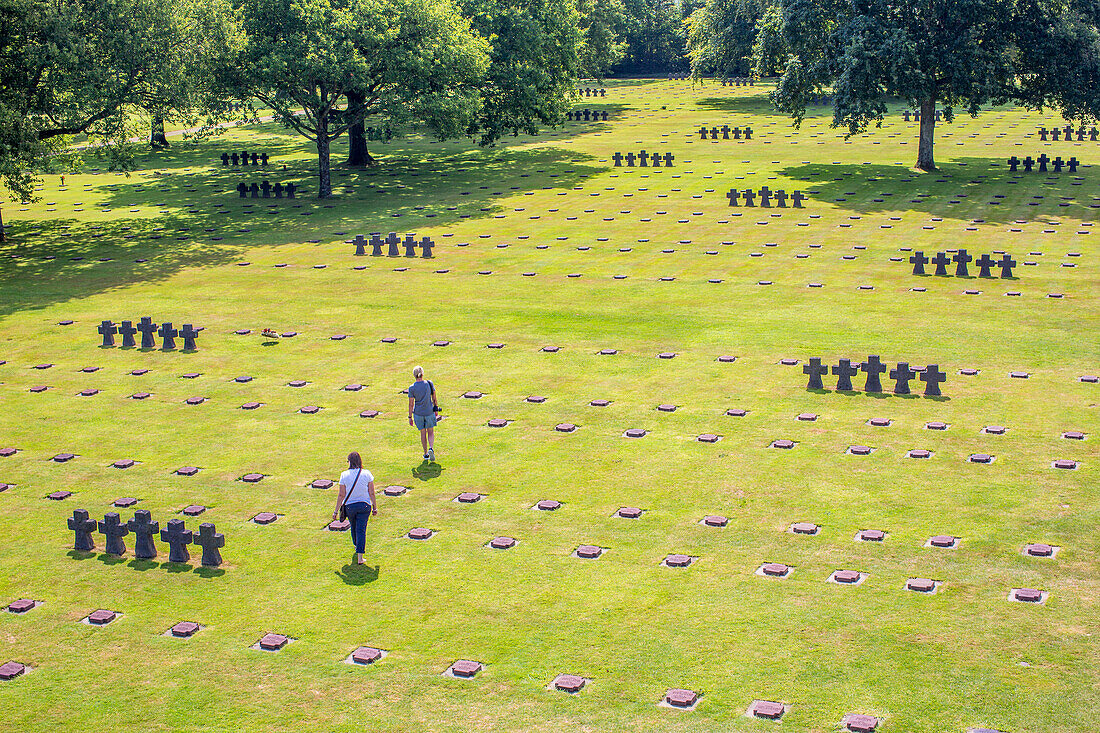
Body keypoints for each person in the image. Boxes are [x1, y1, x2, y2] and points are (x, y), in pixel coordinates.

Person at [332, 451, 377, 565]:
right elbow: (371, 492)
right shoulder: (366, 474)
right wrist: (375, 507)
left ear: (349, 462)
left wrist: (336, 511)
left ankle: (357, 546)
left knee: (354, 527)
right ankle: (360, 556)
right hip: (365, 505)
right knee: (361, 529)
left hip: (350, 507)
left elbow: (341, 494)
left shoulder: (344, 475)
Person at [408, 365, 440, 461]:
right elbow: (434, 398)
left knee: (423, 433)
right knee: (430, 431)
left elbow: (411, 404)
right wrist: (436, 409)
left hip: (418, 413)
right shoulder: (429, 384)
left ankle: (425, 454)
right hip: (429, 411)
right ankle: (431, 448)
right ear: (422, 374)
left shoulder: (412, 387)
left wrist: (410, 417)